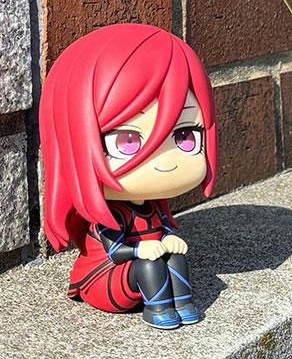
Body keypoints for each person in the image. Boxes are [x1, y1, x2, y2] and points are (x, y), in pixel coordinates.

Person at [38, 24, 217, 329]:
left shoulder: (154, 207)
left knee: (175, 258)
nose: (163, 161)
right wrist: (140, 249)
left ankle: (182, 304)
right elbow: (114, 250)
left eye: (185, 135)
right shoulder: (110, 217)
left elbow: (162, 230)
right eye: (127, 140)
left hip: (140, 267)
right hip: (104, 277)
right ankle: (158, 309)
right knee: (149, 265)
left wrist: (168, 239)